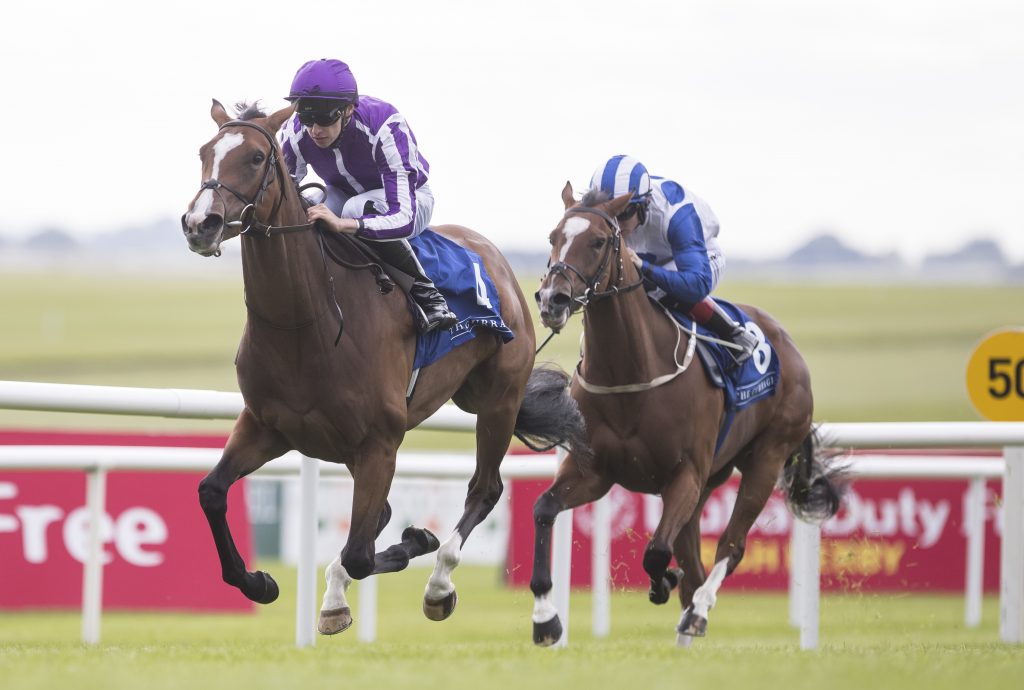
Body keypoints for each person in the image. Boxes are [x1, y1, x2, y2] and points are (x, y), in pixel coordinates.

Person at [278, 58, 457, 334]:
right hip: (345, 192)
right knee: (309, 206)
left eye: (325, 118)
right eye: (306, 117)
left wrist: (344, 225)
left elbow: (403, 218)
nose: (315, 129)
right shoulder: (295, 132)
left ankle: (428, 294)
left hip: (410, 199)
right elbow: (283, 195)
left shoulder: (385, 125)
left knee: (353, 209)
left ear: (349, 108)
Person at [588, 154, 759, 364]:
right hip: (654, 257)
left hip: (700, 258)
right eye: (608, 215)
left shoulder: (676, 216)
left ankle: (734, 333)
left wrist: (644, 267)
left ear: (644, 204)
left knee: (655, 289)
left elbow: (696, 285)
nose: (615, 224)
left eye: (623, 214)